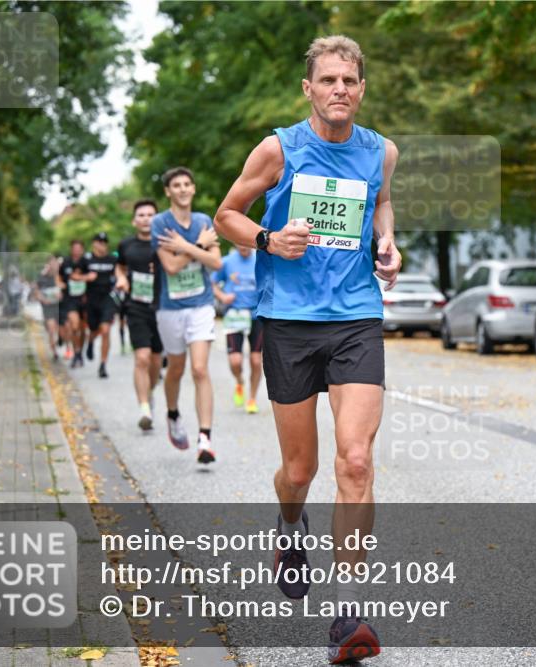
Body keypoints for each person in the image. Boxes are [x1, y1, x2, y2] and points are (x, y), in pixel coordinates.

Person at [214, 35, 400, 663]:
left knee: (355, 460)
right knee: (300, 472)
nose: (339, 90)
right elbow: (226, 216)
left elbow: (381, 203)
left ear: (362, 88)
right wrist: (268, 239)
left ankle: (349, 612)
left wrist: (388, 245)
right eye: (328, 80)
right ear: (309, 88)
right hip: (289, 322)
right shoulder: (279, 149)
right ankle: (290, 525)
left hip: (355, 319)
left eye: (349, 80)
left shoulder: (381, 151)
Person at [152, 167, 222, 463]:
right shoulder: (160, 223)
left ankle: (204, 437)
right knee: (176, 369)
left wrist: (184, 248)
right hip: (171, 308)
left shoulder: (204, 221)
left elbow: (216, 262)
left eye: (187, 184)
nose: (182, 189)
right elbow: (170, 267)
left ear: (193, 189)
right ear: (168, 191)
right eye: (176, 185)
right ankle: (172, 413)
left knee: (199, 370)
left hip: (201, 304)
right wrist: (195, 246)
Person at [116, 199, 164, 431]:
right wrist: (122, 278)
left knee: (155, 362)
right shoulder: (126, 245)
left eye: (150, 214)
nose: (146, 219)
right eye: (141, 215)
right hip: (135, 307)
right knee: (142, 358)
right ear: (135, 220)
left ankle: (150, 392)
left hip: (162, 308)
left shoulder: (164, 242)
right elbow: (120, 266)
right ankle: (144, 408)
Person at [212, 243, 263, 414]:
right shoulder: (226, 262)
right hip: (234, 314)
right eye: (239, 242)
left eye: (246, 242)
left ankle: (252, 398)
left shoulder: (261, 258)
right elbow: (212, 283)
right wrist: (222, 296)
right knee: (235, 361)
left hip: (257, 315)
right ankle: (240, 381)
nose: (243, 245)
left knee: (256, 361)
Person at [73, 233, 118, 378]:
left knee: (105, 330)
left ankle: (103, 365)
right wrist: (86, 277)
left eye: (104, 242)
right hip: (91, 299)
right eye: (99, 242)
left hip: (108, 298)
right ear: (93, 244)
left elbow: (121, 272)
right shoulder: (86, 259)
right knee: (93, 329)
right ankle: (91, 341)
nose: (102, 245)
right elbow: (74, 275)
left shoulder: (113, 259)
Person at [58, 240, 88, 368]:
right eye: (74, 248)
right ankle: (75, 352)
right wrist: (60, 285)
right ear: (71, 249)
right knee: (74, 326)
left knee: (82, 329)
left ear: (82, 249)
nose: (76, 250)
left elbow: (93, 276)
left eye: (79, 248)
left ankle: (80, 351)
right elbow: (58, 277)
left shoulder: (87, 262)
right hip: (70, 299)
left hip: (84, 300)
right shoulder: (65, 262)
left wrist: (81, 279)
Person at [34, 257, 63, 361]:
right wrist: (43, 299)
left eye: (55, 263)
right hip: (48, 306)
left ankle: (63, 344)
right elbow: (36, 292)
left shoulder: (61, 276)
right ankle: (54, 351)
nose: (54, 265)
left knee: (62, 329)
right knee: (51, 329)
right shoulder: (42, 277)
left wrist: (61, 294)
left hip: (60, 306)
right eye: (51, 263)